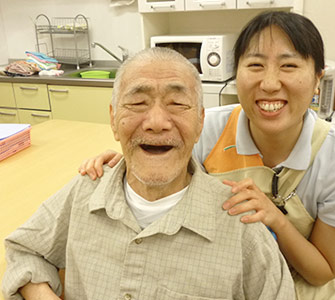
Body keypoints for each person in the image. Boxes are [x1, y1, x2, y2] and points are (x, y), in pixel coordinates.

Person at [78, 11, 335, 300]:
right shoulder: (204, 131)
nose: (270, 83)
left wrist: (276, 220)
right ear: (237, 75)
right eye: (256, 65)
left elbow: (323, 271)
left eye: (289, 66)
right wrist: (129, 159)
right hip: (223, 276)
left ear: (316, 80)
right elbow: (160, 162)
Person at [2, 47, 295, 300]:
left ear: (200, 122)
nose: (156, 122)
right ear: (114, 120)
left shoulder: (240, 224)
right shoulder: (86, 191)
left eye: (177, 104)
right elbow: (24, 249)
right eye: (138, 103)